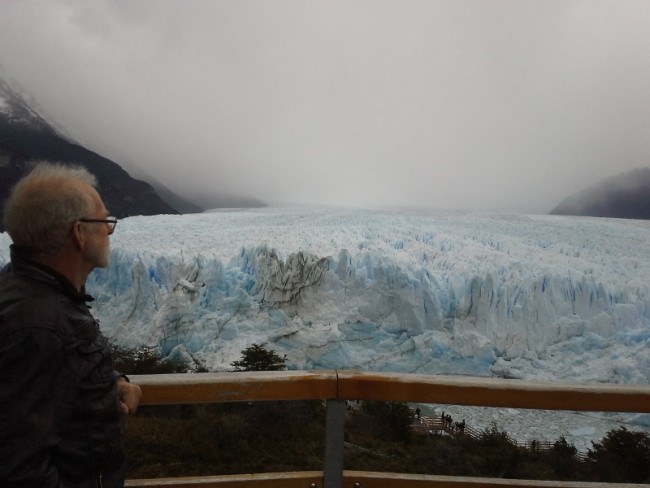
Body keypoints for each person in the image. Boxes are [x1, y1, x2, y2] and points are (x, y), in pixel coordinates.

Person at [0, 162, 142, 487]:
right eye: (103, 220)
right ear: (79, 233)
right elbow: (20, 470)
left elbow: (58, 372)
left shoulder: (35, 292)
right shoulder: (36, 324)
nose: (108, 229)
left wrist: (108, 383)